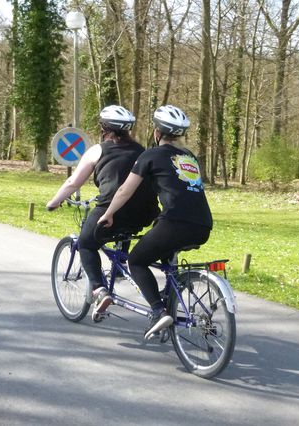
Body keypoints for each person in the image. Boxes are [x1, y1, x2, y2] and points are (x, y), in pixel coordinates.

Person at [98, 105, 213, 339]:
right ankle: (170, 297)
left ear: (156, 132)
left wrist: (107, 213)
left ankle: (158, 311)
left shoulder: (150, 155)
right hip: (203, 225)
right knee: (162, 246)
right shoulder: (189, 157)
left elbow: (124, 191)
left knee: (137, 260)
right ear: (179, 134)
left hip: (174, 223)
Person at [47, 105, 158, 322]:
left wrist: (53, 202)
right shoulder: (143, 151)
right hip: (145, 212)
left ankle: (99, 290)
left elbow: (73, 182)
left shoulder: (98, 150)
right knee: (124, 230)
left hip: (111, 210)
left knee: (87, 244)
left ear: (103, 127)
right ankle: (122, 262)